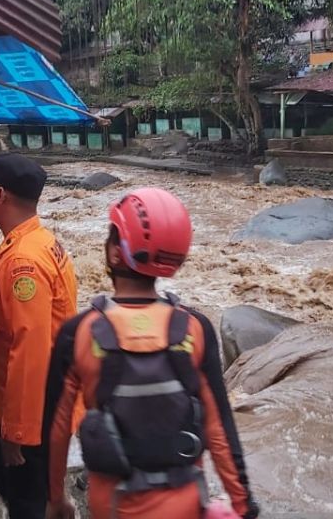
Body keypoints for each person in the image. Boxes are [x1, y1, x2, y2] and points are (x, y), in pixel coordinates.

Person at [43, 188, 259, 519]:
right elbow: (219, 429)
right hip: (184, 504)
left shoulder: (79, 332)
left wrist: (56, 498)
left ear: (116, 252)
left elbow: (58, 428)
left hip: (114, 506)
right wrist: (244, 505)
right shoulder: (195, 327)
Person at [0, 153, 77, 519]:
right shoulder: (37, 240)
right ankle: (43, 501)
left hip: (38, 394)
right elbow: (17, 323)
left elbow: (31, 349)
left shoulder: (23, 262)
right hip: (27, 384)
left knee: (23, 485)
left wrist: (17, 433)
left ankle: (40, 504)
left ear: (0, 194)